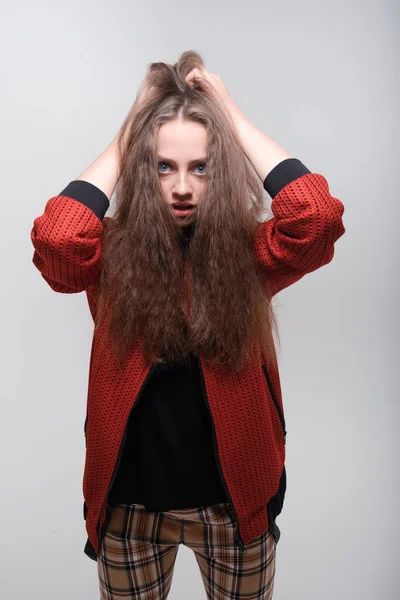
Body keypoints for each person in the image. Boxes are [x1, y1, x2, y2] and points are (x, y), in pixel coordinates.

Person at [30, 50, 345, 599]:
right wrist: (134, 129)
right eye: (163, 166)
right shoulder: (109, 253)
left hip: (234, 509)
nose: (181, 187)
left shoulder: (251, 253)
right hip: (128, 509)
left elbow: (315, 220)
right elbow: (57, 242)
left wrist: (228, 115)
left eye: (201, 167)